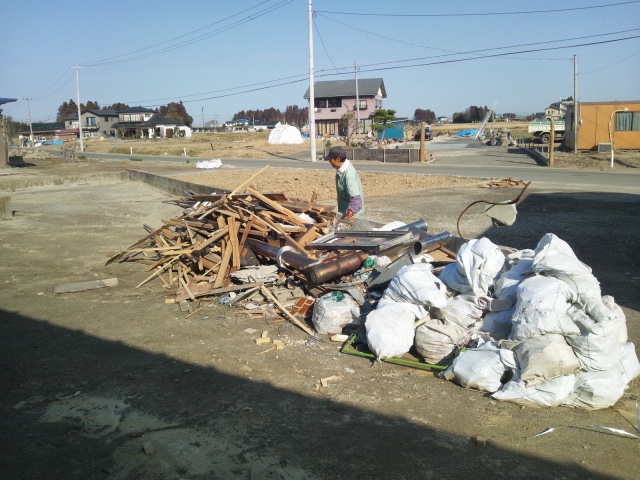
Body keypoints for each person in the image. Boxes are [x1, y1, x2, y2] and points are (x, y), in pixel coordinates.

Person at [324, 146, 365, 219]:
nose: (329, 161)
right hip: (344, 211)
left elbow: (356, 200)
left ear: (338, 159)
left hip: (353, 215)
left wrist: (349, 213)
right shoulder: (341, 169)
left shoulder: (349, 175)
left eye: (330, 159)